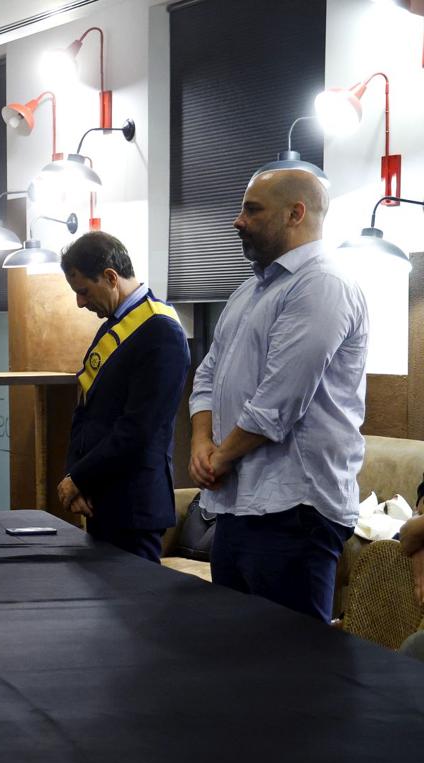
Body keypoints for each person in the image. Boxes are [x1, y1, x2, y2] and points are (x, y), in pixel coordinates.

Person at [189, 169, 369, 621]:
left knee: (293, 672)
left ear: (295, 213)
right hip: (239, 503)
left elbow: (279, 401)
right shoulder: (250, 289)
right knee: (240, 659)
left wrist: (220, 456)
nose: (237, 220)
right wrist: (199, 442)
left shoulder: (323, 284)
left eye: (252, 209)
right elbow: (208, 373)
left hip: (295, 510)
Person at [57, 232, 189, 563]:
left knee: (135, 613)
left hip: (134, 504)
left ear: (111, 278)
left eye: (84, 291)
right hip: (101, 497)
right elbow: (86, 412)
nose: (80, 303)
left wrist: (79, 477)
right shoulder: (115, 324)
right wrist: (77, 476)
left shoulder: (161, 331)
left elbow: (138, 428)